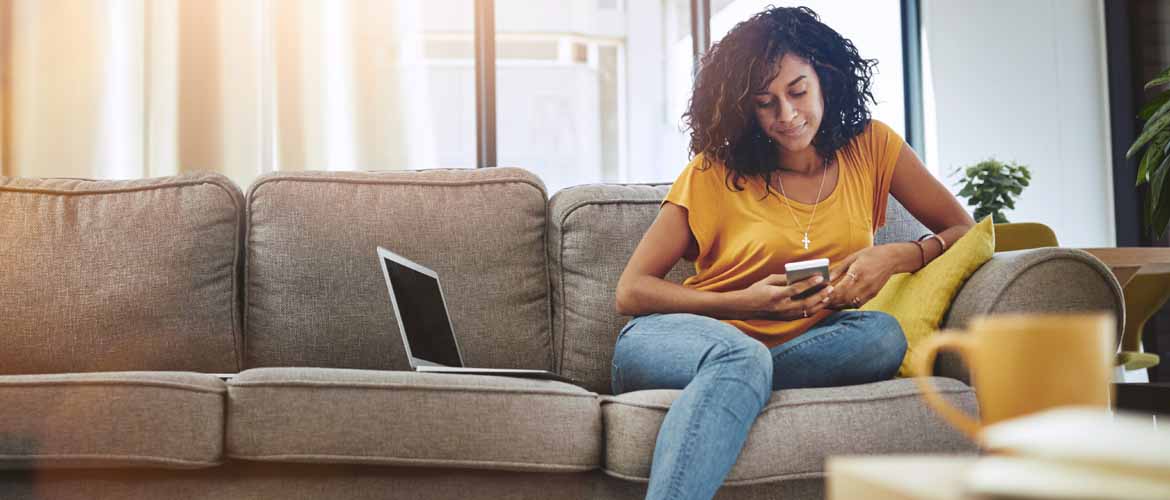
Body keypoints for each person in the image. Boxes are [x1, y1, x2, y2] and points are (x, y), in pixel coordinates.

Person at [612, 6, 975, 500]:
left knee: (882, 335)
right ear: (746, 110)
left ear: (825, 77)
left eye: (798, 91)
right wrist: (743, 303)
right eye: (765, 103)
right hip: (681, 341)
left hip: (802, 348)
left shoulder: (871, 147)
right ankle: (739, 376)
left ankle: (740, 383)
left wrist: (897, 257)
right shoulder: (712, 171)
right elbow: (631, 292)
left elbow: (962, 230)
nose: (787, 115)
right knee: (739, 357)